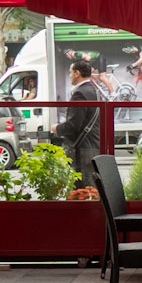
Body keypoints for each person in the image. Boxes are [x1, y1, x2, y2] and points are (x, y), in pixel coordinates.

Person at [59, 60, 104, 189]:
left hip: (83, 149)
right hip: (93, 145)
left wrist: (57, 128)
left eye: (70, 73)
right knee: (91, 188)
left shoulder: (80, 93)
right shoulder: (94, 90)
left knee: (83, 187)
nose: (69, 76)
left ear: (77, 73)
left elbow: (74, 125)